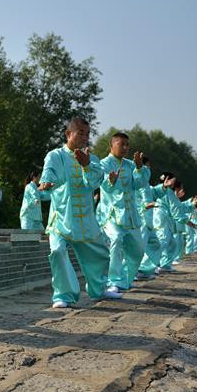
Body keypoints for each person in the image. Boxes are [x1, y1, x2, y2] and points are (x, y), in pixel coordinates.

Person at [39, 117, 121, 309]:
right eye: (80, 133)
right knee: (57, 251)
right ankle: (63, 295)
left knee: (100, 255)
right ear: (68, 134)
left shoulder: (92, 160)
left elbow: (94, 182)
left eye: (87, 133)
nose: (85, 137)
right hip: (61, 217)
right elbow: (48, 174)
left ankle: (98, 289)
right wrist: (47, 182)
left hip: (85, 219)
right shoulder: (55, 156)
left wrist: (86, 165)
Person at [98, 132, 148, 293]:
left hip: (130, 214)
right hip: (112, 213)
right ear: (112, 145)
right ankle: (114, 280)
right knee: (117, 240)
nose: (125, 148)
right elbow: (102, 184)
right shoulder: (103, 164)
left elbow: (140, 184)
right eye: (122, 144)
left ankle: (125, 279)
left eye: (127, 145)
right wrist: (110, 181)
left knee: (138, 249)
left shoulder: (130, 165)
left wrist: (140, 168)